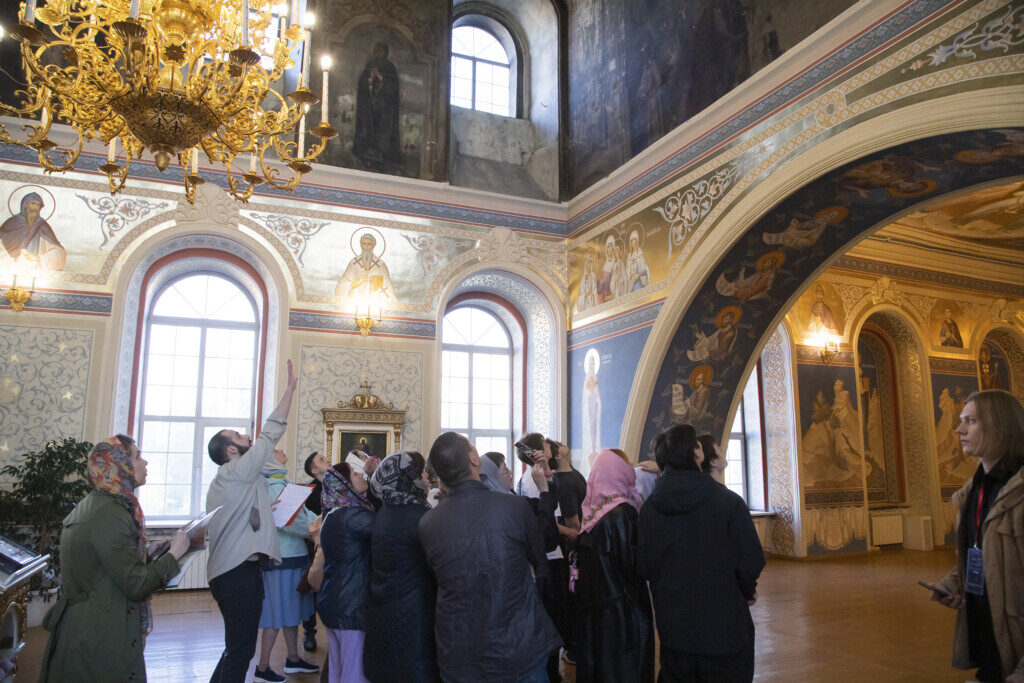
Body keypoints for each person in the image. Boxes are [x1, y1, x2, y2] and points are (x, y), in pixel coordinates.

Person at [39, 436, 189, 682]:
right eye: (137, 456)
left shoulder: (98, 504)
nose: (145, 462)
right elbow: (136, 584)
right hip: (99, 636)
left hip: (89, 627)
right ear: (119, 464)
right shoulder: (110, 513)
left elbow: (104, 567)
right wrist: (175, 554)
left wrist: (147, 553)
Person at [419, 432, 561, 682]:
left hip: (460, 651)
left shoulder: (428, 522)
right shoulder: (513, 507)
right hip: (517, 645)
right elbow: (541, 564)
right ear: (474, 459)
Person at [639, 424, 765, 682]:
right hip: (724, 628)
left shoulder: (650, 508)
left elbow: (645, 566)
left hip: (674, 630)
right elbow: (749, 560)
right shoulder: (728, 502)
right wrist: (747, 589)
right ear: (697, 453)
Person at [205, 359, 297, 683]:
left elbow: (239, 510)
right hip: (237, 573)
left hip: (234, 572)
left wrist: (265, 504)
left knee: (235, 648)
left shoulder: (236, 476)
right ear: (232, 449)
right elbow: (270, 433)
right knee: (241, 651)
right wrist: (289, 391)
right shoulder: (238, 471)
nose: (247, 436)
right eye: (239, 435)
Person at [929, 390, 1024, 683]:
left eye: (970, 421)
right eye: (962, 420)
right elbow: (982, 552)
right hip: (988, 635)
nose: (959, 429)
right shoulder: (972, 490)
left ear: (1000, 426)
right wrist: (953, 583)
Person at [575, 449, 654, 683]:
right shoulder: (623, 513)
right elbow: (634, 566)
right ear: (619, 472)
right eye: (627, 465)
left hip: (596, 611)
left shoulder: (594, 512)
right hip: (624, 612)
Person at [363, 451, 439, 683]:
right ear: (409, 477)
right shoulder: (422, 516)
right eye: (421, 472)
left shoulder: (385, 510)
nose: (426, 478)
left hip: (383, 607)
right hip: (414, 612)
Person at [254, 449, 320, 683]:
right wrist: (316, 529)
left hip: (292, 555)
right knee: (275, 614)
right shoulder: (273, 486)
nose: (280, 451)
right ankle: (262, 668)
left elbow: (302, 513)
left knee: (291, 611)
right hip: (282, 557)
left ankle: (293, 659)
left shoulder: (281, 482)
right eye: (273, 451)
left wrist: (315, 522)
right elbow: (290, 522)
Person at [317, 464, 376, 683]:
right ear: (345, 484)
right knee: (354, 672)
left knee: (337, 669)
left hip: (334, 598)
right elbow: (385, 529)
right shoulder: (353, 515)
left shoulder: (332, 512)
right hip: (350, 603)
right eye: (354, 473)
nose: (360, 475)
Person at [301, 450, 330, 652]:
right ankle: (309, 633)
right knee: (312, 592)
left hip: (334, 547)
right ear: (314, 470)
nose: (327, 460)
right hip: (315, 547)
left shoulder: (337, 486)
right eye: (321, 460)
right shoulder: (310, 492)